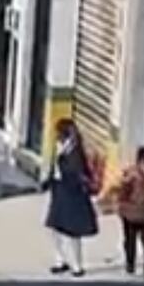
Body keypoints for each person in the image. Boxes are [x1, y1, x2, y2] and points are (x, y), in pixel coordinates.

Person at [100, 146, 144, 278]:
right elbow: (120, 192)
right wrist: (118, 205)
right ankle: (130, 264)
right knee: (130, 241)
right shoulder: (130, 176)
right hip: (130, 215)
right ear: (139, 163)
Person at [45, 119, 99, 277]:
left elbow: (75, 172)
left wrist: (62, 159)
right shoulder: (60, 147)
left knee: (73, 231)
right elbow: (54, 167)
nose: (56, 137)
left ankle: (77, 266)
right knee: (55, 226)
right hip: (59, 190)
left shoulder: (74, 151)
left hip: (73, 193)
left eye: (59, 134)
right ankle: (60, 260)